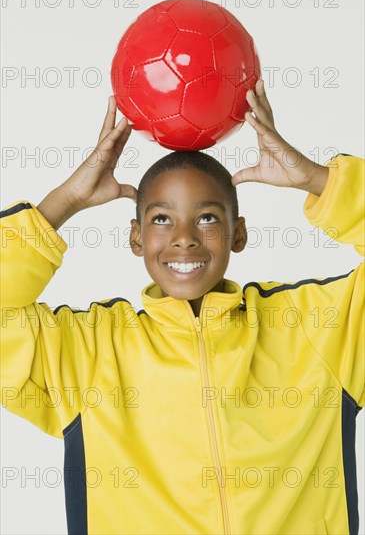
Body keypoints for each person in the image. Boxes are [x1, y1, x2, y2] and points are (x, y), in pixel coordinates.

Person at [1, 81, 363, 535]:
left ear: (239, 233)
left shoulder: (316, 329)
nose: (184, 237)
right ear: (137, 238)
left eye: (207, 217)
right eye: (161, 219)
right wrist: (64, 201)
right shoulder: (89, 353)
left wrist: (317, 178)